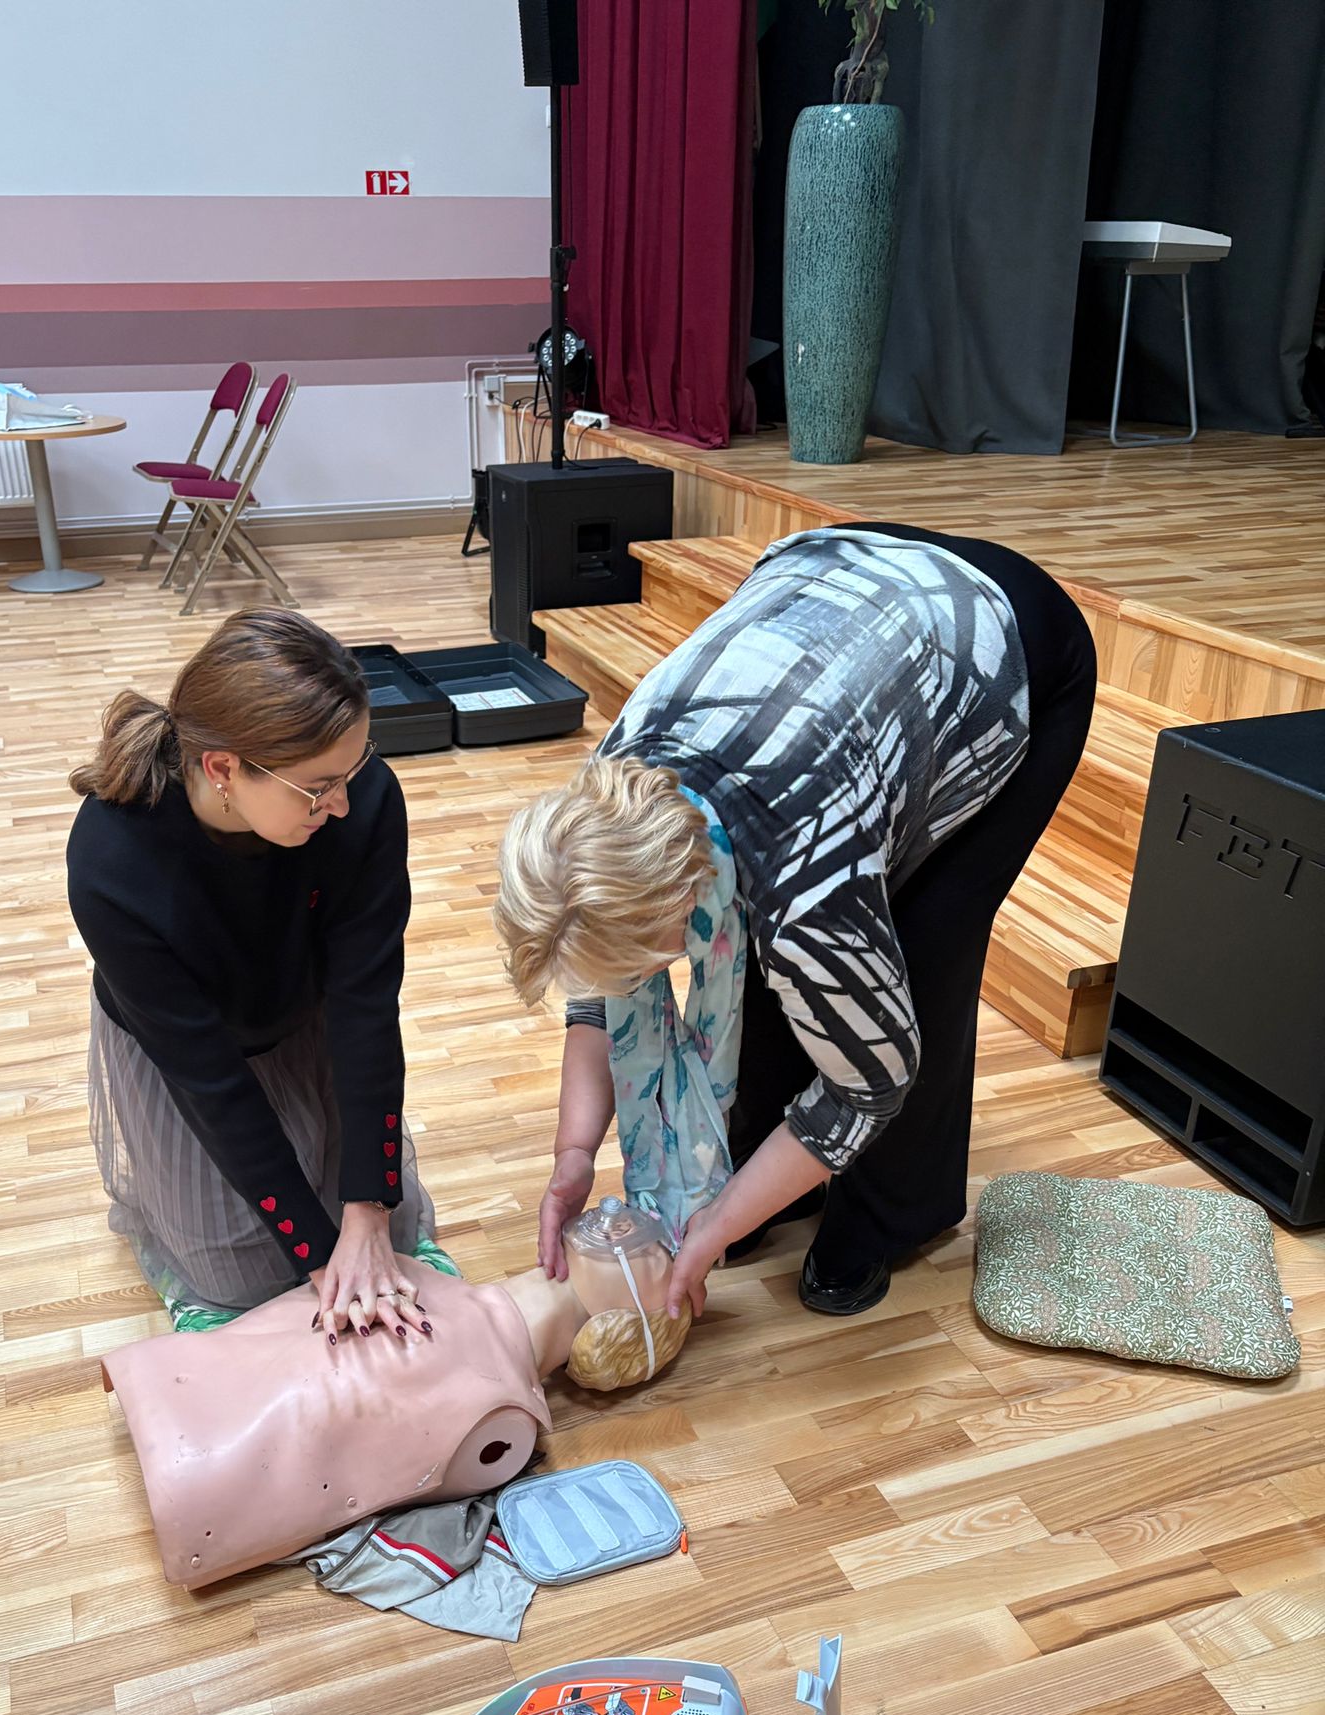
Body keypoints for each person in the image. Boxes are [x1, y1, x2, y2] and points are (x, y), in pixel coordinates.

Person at [494, 522, 1097, 1322]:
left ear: (681, 901)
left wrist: (714, 1230)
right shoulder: (604, 802)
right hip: (844, 612)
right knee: (781, 964)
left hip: (1004, 645)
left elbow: (872, 1080)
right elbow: (601, 990)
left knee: (922, 952)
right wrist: (573, 1157)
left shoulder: (804, 887)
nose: (630, 978)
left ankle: (884, 1217)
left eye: (644, 958)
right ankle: (773, 1180)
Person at [67, 607, 440, 1337]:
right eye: (319, 786)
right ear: (223, 769)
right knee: (244, 1275)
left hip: (308, 1011)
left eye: (353, 769)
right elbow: (208, 1079)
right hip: (194, 1052)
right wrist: (318, 1258)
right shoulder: (112, 862)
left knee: (387, 1234)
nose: (342, 802)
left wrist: (367, 1211)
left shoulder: (361, 799)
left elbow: (365, 1002)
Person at [100, 1197, 691, 1588]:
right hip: (194, 1467)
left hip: (190, 1452)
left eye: (648, 1261)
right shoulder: (501, 1418)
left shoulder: (492, 1403)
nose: (622, 1228)